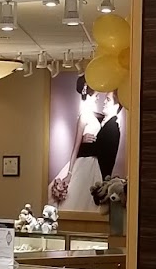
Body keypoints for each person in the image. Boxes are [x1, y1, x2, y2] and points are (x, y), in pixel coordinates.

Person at [51, 82, 122, 210]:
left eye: (106, 99)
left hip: (94, 166)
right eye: (96, 96)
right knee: (77, 199)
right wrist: (70, 172)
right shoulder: (84, 116)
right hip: (85, 164)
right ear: (88, 96)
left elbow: (102, 142)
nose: (100, 100)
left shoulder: (105, 121)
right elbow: (76, 148)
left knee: (85, 200)